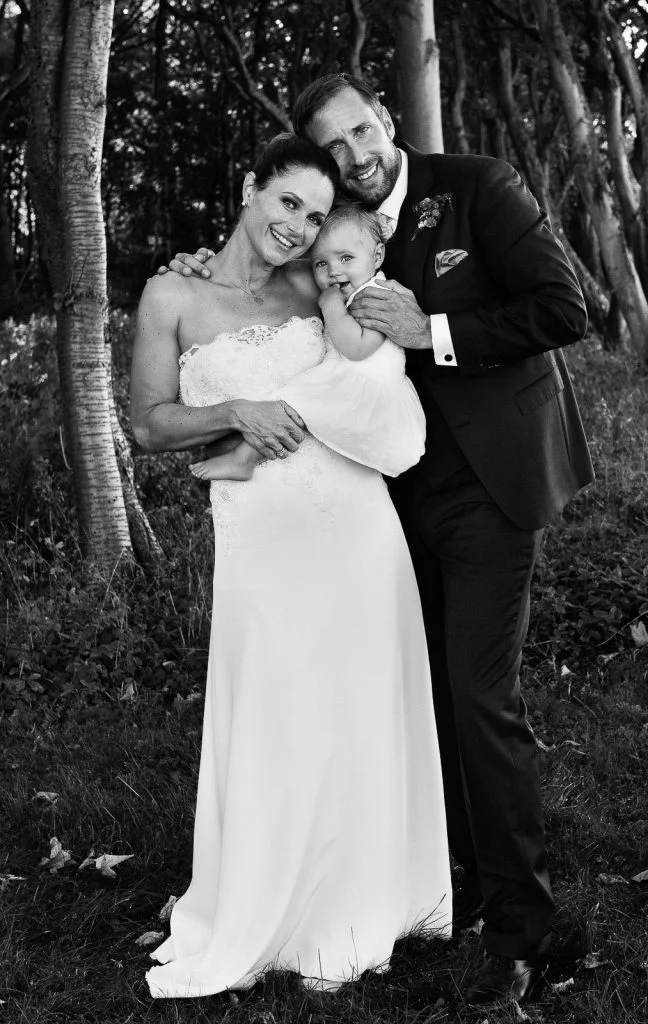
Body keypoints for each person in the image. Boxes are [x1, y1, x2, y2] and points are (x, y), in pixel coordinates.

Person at [168, 73, 595, 1004]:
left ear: (386, 119)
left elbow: (566, 308)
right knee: (421, 691)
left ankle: (524, 929)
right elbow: (264, 287)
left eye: (362, 130)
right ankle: (452, 881)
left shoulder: (477, 185)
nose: (356, 153)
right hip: (386, 495)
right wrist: (206, 265)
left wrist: (432, 327)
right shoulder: (328, 228)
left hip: (485, 484)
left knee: (478, 696)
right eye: (335, 145)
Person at [132, 133, 452, 999]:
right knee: (279, 712)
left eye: (314, 215)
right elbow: (149, 424)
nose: (299, 227)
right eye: (287, 203)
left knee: (356, 709)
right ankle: (266, 901)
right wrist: (235, 409)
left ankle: (362, 901)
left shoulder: (316, 282)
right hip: (261, 542)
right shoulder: (172, 293)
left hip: (355, 528)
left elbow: (371, 352)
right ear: (249, 187)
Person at [189, 204, 403, 482]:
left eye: (346, 258)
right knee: (293, 403)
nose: (334, 271)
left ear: (377, 256)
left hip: (365, 386)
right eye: (321, 263)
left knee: (296, 402)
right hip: (346, 382)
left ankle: (244, 459)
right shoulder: (354, 287)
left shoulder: (379, 295)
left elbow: (357, 348)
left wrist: (332, 306)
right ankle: (247, 458)